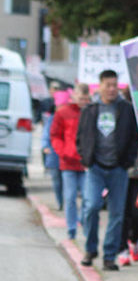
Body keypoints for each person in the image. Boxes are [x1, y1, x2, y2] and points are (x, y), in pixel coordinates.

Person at [76, 69, 138, 269]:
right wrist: (86, 157)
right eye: (108, 85)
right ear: (100, 86)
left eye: (115, 85)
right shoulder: (90, 109)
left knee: (117, 213)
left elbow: (134, 138)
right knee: (92, 206)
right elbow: (81, 137)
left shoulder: (127, 109)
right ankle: (91, 248)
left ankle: (109, 256)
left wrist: (127, 161)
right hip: (95, 167)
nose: (112, 89)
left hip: (118, 168)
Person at [50, 84, 89, 240]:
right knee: (70, 197)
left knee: (88, 198)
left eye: (86, 99)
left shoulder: (91, 112)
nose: (83, 101)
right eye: (80, 98)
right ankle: (71, 228)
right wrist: (62, 151)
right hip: (68, 162)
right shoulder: (63, 113)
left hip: (86, 162)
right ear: (74, 96)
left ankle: (86, 226)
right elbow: (55, 135)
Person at [43, 91, 68, 210]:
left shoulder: (71, 117)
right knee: (57, 181)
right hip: (54, 154)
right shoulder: (51, 119)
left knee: (67, 181)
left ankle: (67, 202)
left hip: (68, 156)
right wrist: (45, 146)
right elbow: (46, 134)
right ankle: (60, 201)